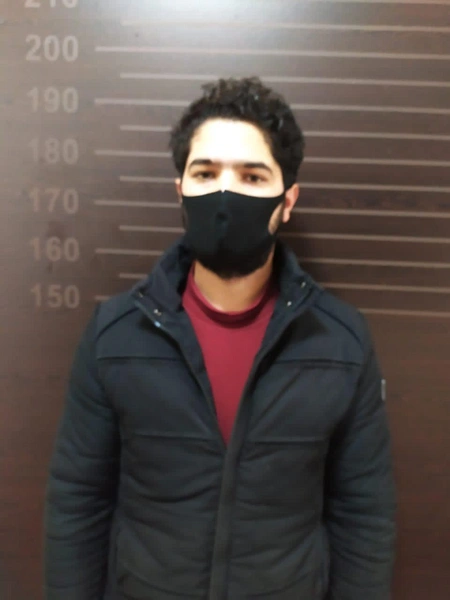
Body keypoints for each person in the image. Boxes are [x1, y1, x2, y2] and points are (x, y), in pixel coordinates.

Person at [43, 76, 396, 600]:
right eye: (206, 173)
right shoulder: (114, 334)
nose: (225, 195)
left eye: (252, 176)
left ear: (287, 200)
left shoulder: (341, 343)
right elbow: (78, 502)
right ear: (180, 191)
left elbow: (363, 515)